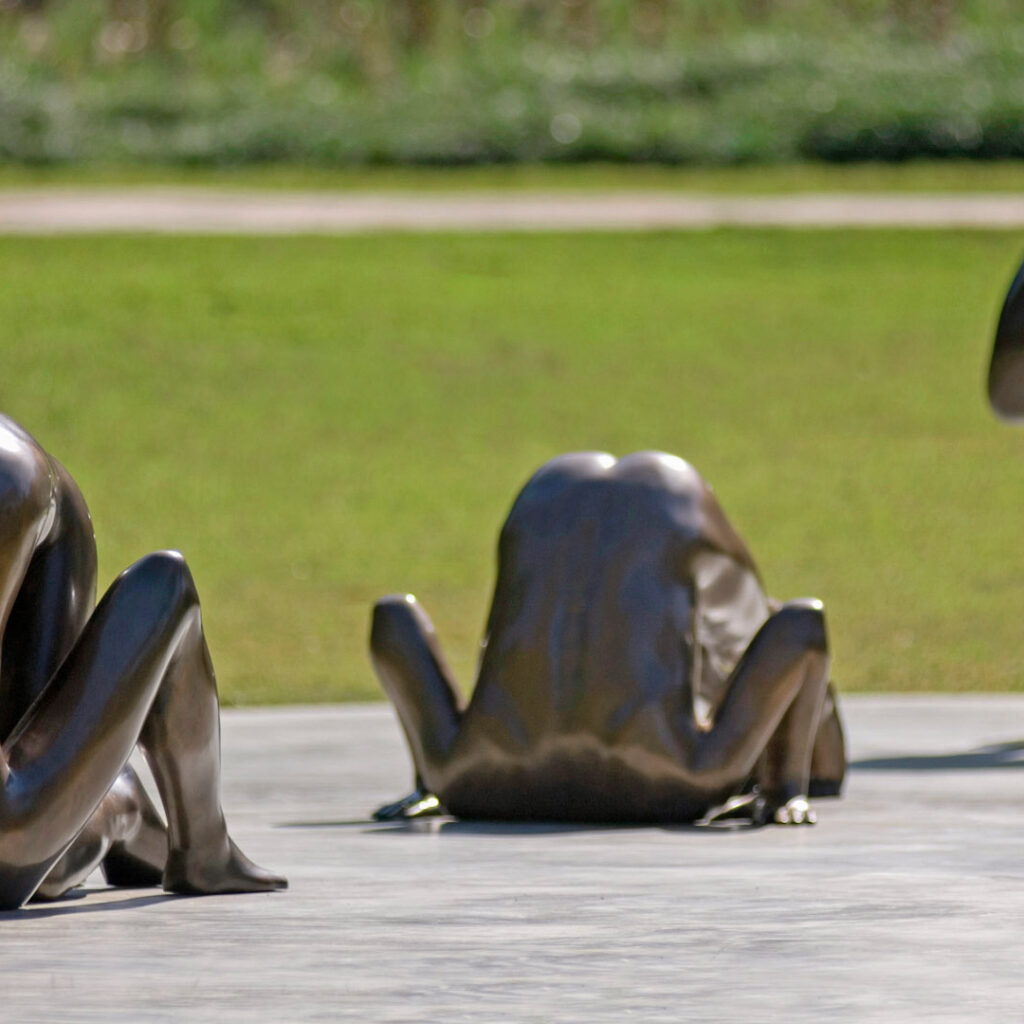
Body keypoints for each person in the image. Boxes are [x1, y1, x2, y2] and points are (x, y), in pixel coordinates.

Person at [371, 451, 845, 826]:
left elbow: (390, 624)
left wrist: (435, 779)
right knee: (803, 623)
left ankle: (422, 786)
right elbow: (798, 628)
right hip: (660, 781)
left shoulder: (544, 502)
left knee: (395, 613)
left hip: (479, 778)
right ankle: (782, 795)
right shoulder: (679, 500)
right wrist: (791, 786)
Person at [0, 415, 285, 910]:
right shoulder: (12, 475)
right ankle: (199, 848)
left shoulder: (13, 477)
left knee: (39, 844)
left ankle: (123, 809)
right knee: (164, 588)